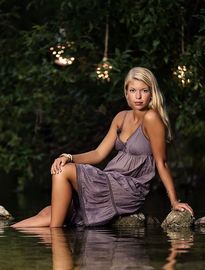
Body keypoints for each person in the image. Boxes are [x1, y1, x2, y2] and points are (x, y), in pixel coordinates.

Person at [12, 67, 193, 228]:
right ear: (126, 93)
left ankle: (57, 237)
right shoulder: (121, 117)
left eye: (144, 91)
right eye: (133, 90)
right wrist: (68, 156)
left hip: (129, 188)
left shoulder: (152, 119)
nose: (138, 96)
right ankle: (9, 232)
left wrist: (174, 202)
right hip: (109, 179)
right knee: (48, 212)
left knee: (62, 172)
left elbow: (162, 163)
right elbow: (99, 154)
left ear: (151, 93)